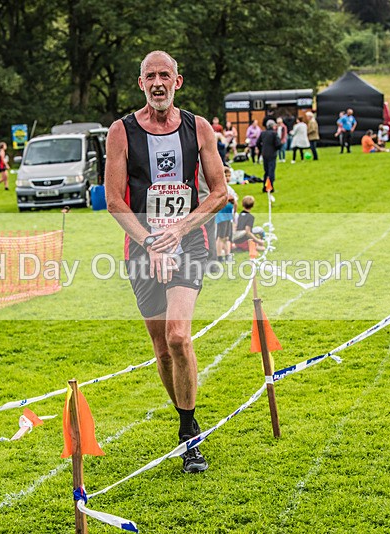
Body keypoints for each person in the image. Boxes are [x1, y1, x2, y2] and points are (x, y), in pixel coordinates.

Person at [104, 50, 227, 474]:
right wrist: (150, 241)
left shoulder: (200, 128)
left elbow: (219, 193)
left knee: (178, 337)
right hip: (141, 246)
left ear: (178, 82)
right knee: (160, 347)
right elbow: (115, 200)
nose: (158, 83)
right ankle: (186, 418)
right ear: (141, 84)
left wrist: (179, 230)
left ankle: (188, 436)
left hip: (189, 241)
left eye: (165, 76)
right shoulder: (121, 132)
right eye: (150, 76)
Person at [215, 165, 237, 262]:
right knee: (221, 236)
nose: (228, 178)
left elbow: (235, 200)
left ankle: (228, 254)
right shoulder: (219, 188)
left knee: (228, 236)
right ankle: (219, 255)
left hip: (229, 215)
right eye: (226, 176)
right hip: (221, 216)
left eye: (229, 176)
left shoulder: (230, 188)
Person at [258, 120, 280, 192]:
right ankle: (271, 187)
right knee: (271, 171)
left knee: (266, 171)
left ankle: (265, 186)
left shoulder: (263, 133)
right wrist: (276, 148)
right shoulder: (274, 134)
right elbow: (278, 144)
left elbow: (258, 143)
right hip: (272, 154)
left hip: (264, 153)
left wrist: (261, 149)